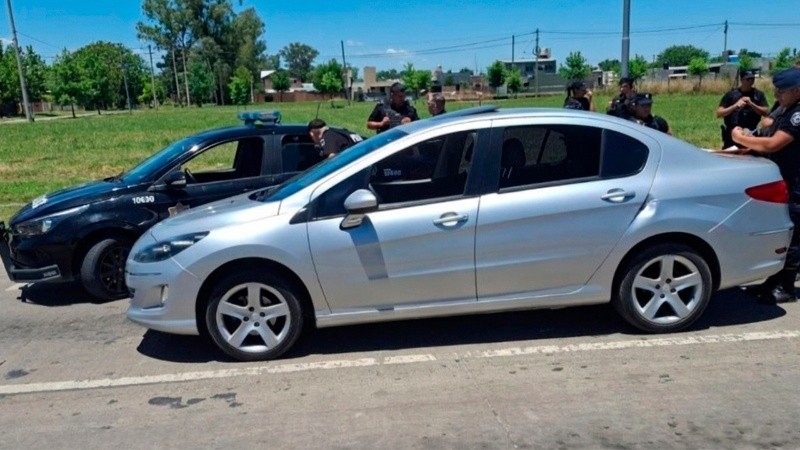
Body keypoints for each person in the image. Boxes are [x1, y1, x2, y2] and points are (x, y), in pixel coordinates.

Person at [731, 66, 800, 304]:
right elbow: (768, 133)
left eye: (782, 91)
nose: (777, 94)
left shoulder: (797, 114)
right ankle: (773, 282)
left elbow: (773, 144)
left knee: (793, 237)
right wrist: (752, 142)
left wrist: (740, 138)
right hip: (785, 179)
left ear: (797, 90)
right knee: (783, 233)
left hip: (796, 184)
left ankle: (786, 288)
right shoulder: (786, 109)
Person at [716, 69, 770, 149]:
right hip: (732, 132)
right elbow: (719, 113)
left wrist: (752, 104)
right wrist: (735, 106)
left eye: (752, 79)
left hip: (750, 132)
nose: (751, 81)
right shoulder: (731, 94)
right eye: (748, 79)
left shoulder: (758, 95)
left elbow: (766, 112)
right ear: (741, 80)